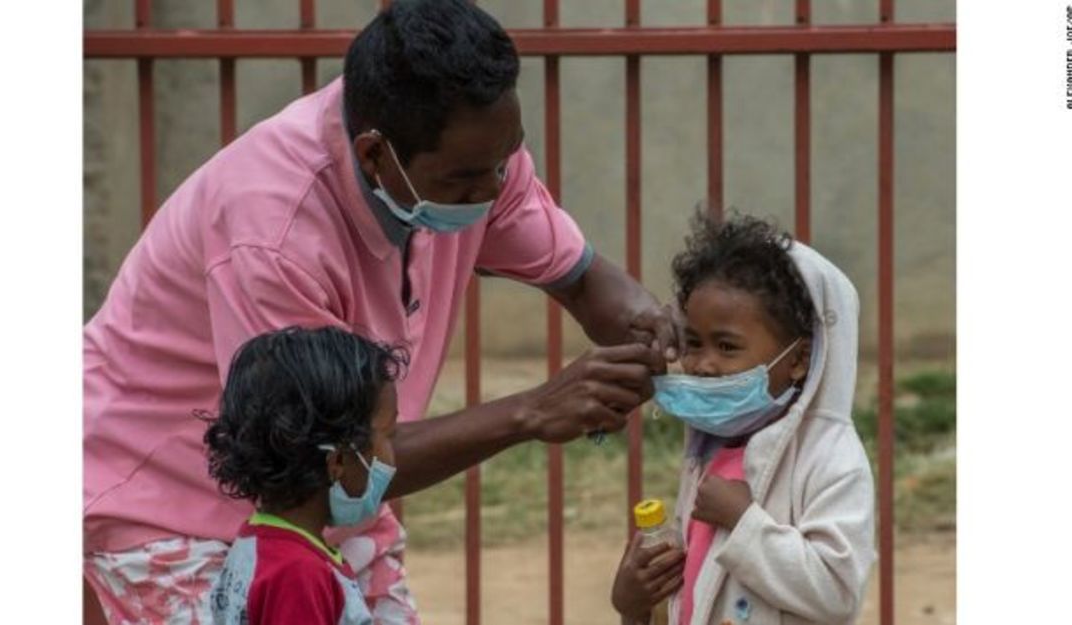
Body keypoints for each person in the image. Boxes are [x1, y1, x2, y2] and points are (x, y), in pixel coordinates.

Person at [83, 1, 679, 622]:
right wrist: (533, 410)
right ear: (374, 156)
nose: (496, 187)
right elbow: (318, 459)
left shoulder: (474, 157)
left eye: (507, 160)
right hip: (170, 502)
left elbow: (582, 280)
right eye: (468, 179)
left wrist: (655, 329)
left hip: (328, 511)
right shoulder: (274, 228)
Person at [611, 213, 876, 625]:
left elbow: (836, 592)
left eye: (727, 346)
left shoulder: (831, 459)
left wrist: (744, 522)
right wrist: (634, 605)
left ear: (800, 359)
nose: (703, 365)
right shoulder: (710, 446)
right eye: (693, 343)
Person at [204, 326, 405, 625]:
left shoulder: (261, 544)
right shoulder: (299, 574)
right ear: (337, 460)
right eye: (388, 435)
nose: (393, 452)